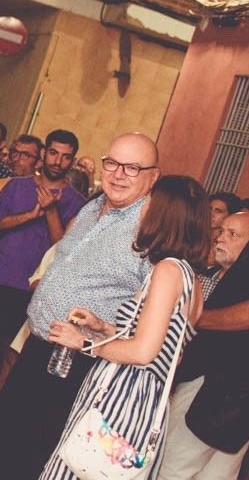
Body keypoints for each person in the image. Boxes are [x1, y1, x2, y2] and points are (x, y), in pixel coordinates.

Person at [0, 133, 162, 480]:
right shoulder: (92, 207)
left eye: (133, 167)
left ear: (153, 176)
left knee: (37, 456)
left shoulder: (153, 227)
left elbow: (155, 310)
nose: (119, 173)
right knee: (5, 440)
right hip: (38, 346)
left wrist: (104, 334)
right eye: (112, 163)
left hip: (79, 362)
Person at [38, 175, 211, 480]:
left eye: (149, 201)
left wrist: (84, 343)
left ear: (161, 212)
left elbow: (144, 352)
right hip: (144, 397)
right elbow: (166, 347)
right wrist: (103, 326)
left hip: (124, 395)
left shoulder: (169, 271)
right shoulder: (191, 279)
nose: (142, 208)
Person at [0, 130, 85, 368]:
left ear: (73, 161)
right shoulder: (15, 185)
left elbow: (65, 252)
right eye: (54, 153)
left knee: (5, 356)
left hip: (29, 288)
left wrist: (51, 211)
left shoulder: (77, 202)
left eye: (66, 157)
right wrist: (30, 215)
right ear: (44, 153)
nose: (58, 161)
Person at [160, 208, 248, 479]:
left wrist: (195, 317)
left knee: (171, 468)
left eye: (233, 234)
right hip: (232, 395)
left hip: (214, 389)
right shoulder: (225, 276)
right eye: (220, 231)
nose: (220, 238)